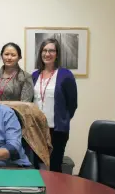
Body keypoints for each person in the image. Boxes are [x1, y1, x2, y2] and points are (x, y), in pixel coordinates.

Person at [32, 38, 78, 172]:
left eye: (51, 50)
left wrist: (63, 119)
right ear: (40, 53)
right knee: (37, 165)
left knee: (54, 166)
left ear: (57, 54)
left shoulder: (65, 75)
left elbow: (72, 104)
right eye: (44, 50)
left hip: (56, 130)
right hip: (37, 129)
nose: (47, 54)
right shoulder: (35, 75)